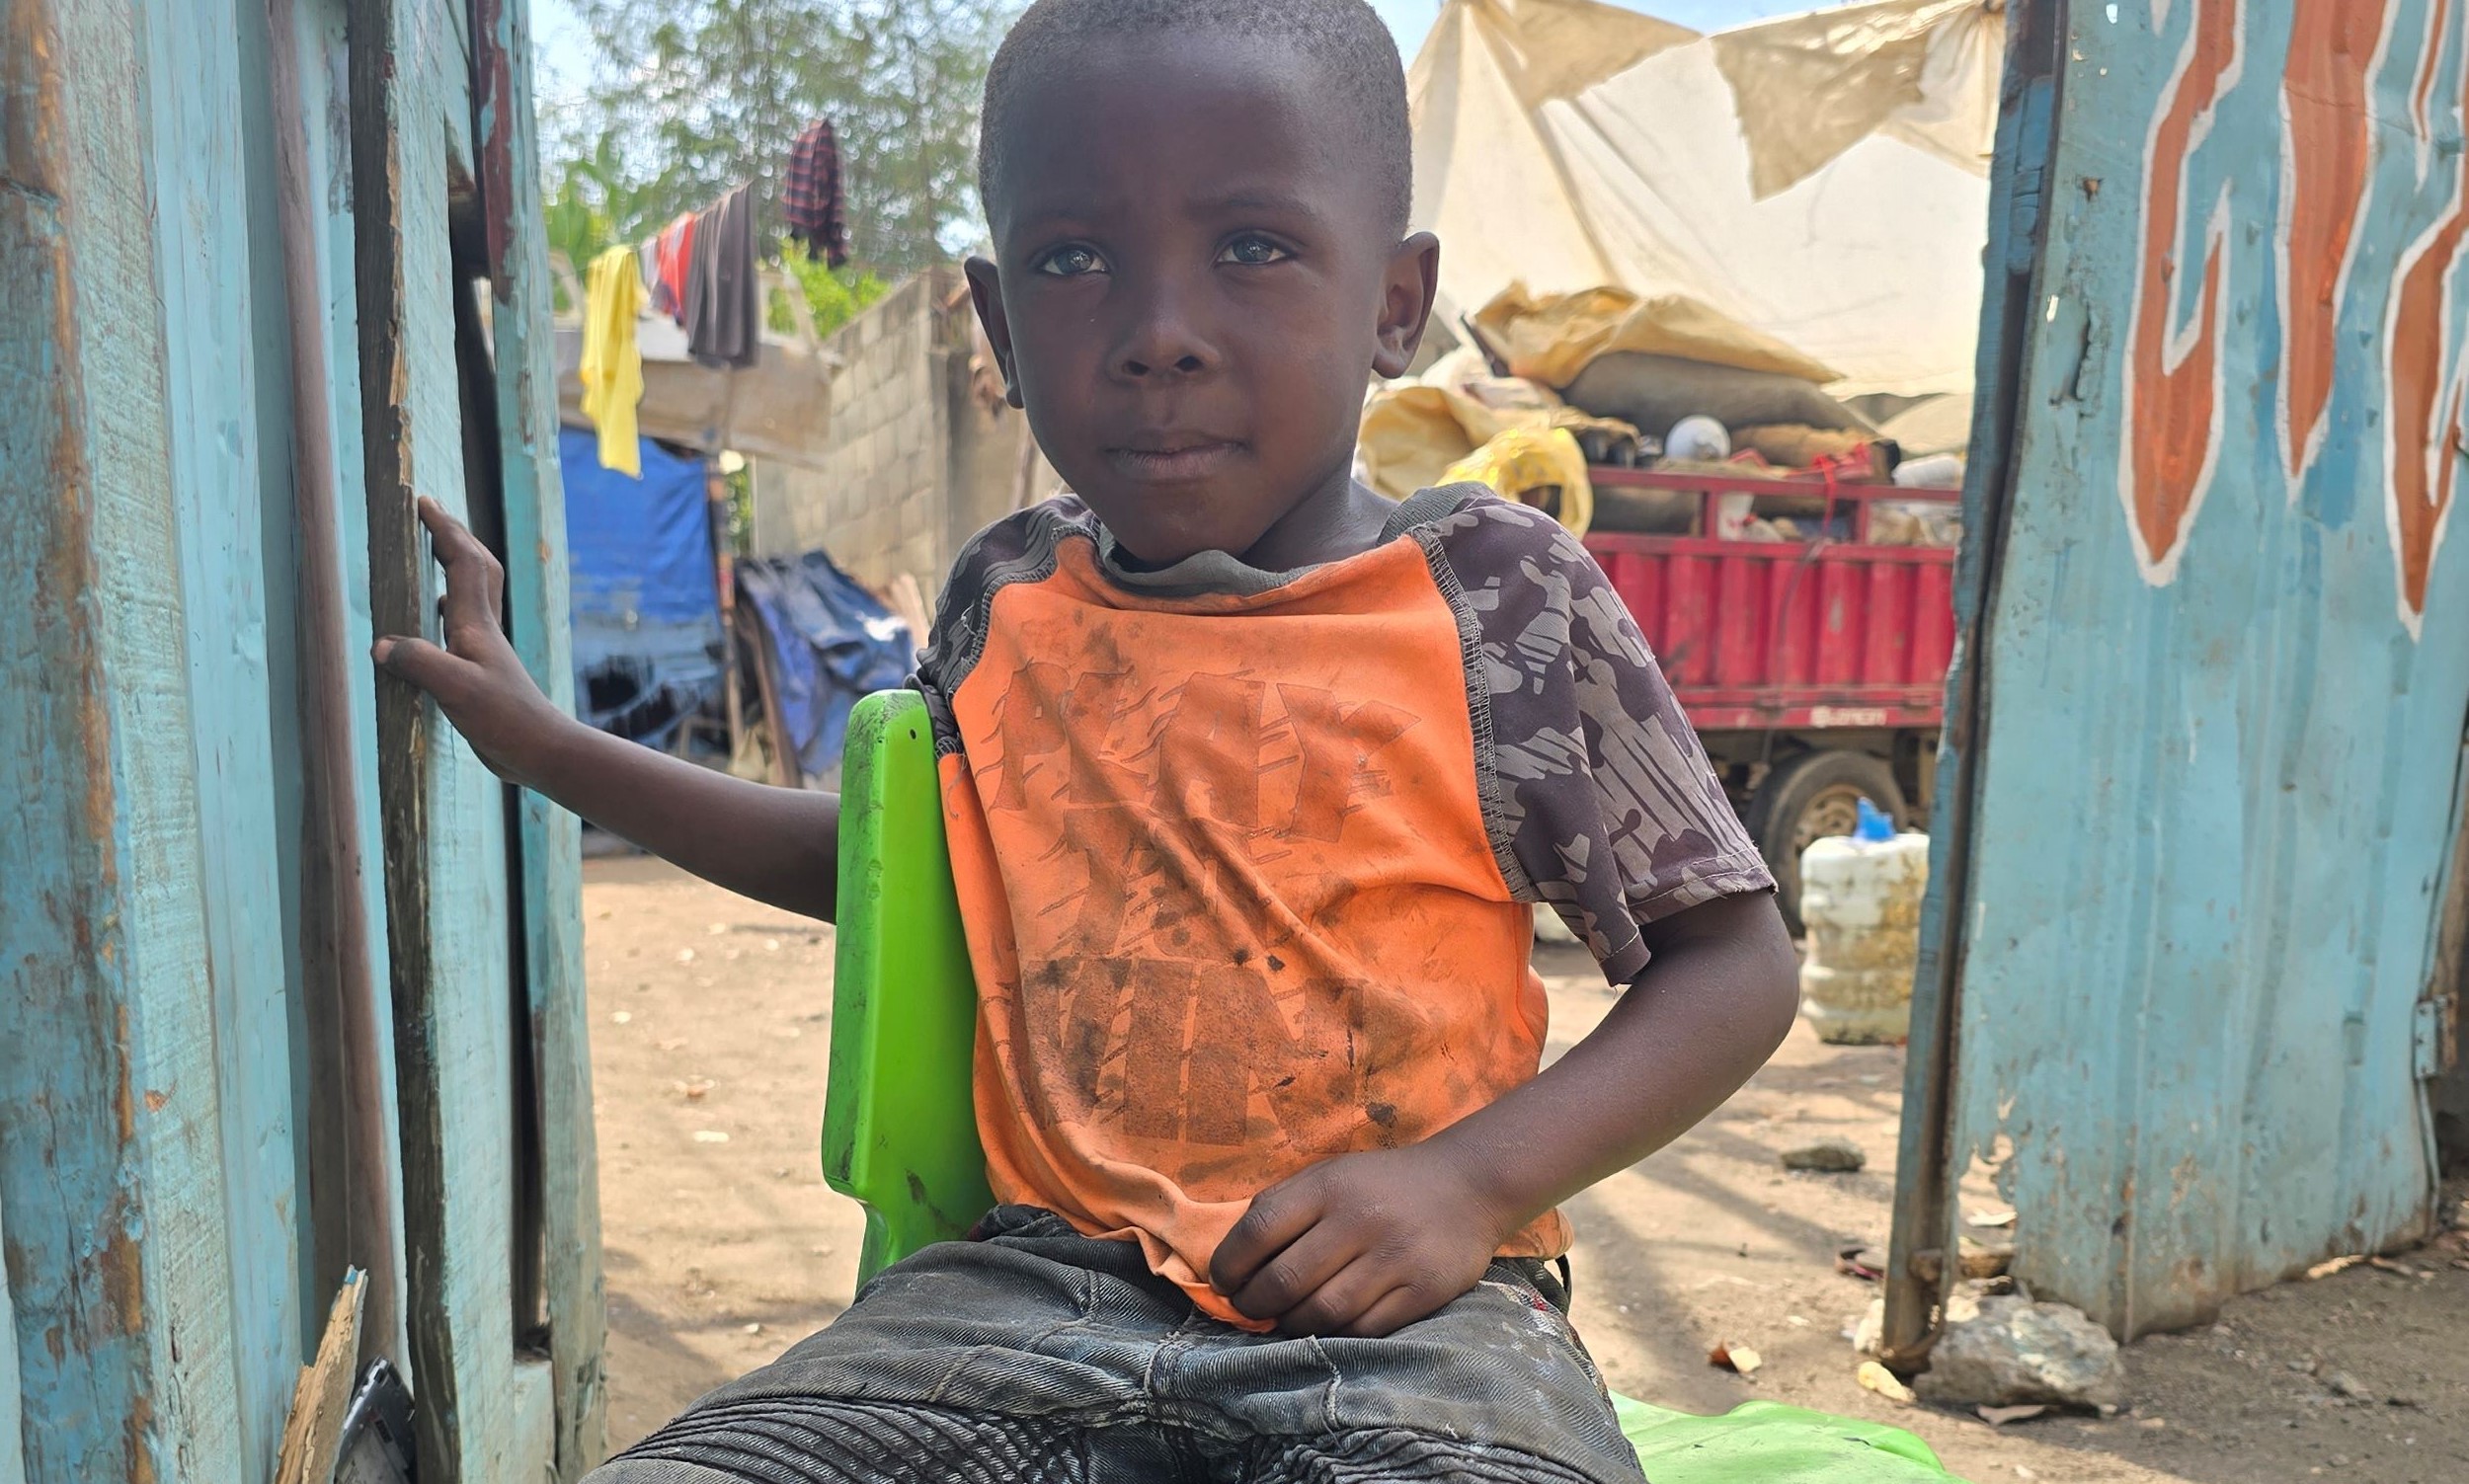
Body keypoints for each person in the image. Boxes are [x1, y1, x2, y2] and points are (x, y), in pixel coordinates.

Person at [378, 0, 1798, 1478]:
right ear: (997, 325)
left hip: (1421, 1328)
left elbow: (1734, 962)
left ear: (1393, 301)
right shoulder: (1009, 597)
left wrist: (1465, 1185)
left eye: (1252, 245)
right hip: (1014, 1300)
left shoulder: (1500, 600)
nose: (1159, 337)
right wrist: (539, 744)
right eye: (1074, 261)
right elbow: (890, 868)